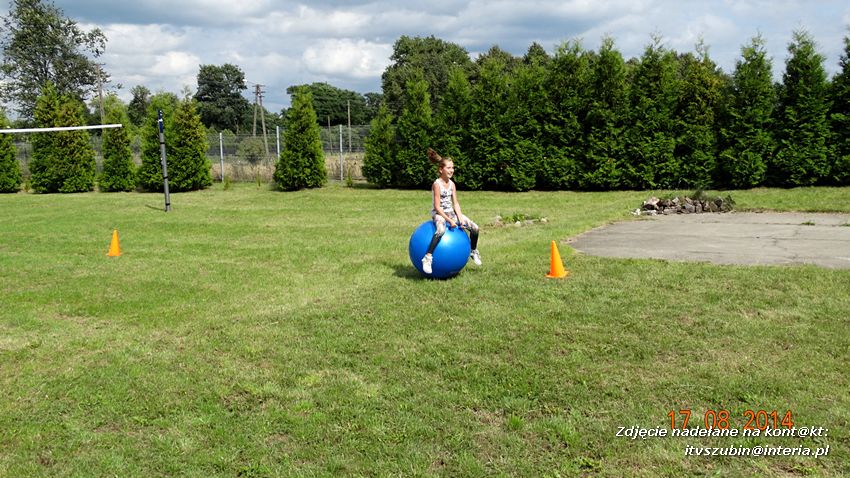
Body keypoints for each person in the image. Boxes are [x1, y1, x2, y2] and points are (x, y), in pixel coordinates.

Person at [421, 148, 481, 275]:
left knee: (475, 228)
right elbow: (437, 207)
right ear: (441, 169)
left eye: (452, 168)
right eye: (449, 168)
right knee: (441, 230)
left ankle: (473, 251)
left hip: (451, 213)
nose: (452, 170)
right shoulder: (437, 184)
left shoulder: (452, 184)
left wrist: (459, 218)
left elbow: (456, 203)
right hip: (439, 214)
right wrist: (449, 221)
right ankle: (428, 257)